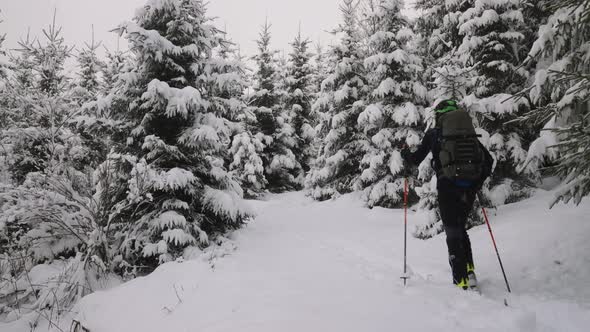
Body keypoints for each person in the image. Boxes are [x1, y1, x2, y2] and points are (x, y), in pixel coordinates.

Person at [401, 99, 494, 290]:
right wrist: (475, 184)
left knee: (452, 230)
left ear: (439, 115)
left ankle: (460, 281)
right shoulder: (468, 135)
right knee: (460, 228)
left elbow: (416, 159)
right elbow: (489, 161)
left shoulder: (434, 134)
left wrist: (404, 155)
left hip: (447, 186)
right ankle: (469, 271)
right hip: (468, 188)